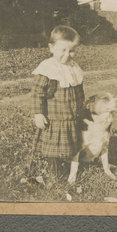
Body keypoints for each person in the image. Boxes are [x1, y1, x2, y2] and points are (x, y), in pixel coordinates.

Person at [31, 25, 84, 179]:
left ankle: (69, 164)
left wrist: (82, 108)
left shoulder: (74, 68)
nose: (67, 55)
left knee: (71, 143)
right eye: (63, 50)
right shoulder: (48, 69)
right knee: (53, 148)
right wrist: (38, 113)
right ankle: (54, 172)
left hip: (71, 116)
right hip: (54, 119)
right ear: (51, 48)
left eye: (72, 50)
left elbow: (79, 91)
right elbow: (37, 94)